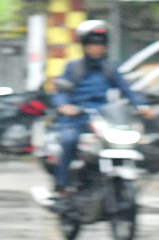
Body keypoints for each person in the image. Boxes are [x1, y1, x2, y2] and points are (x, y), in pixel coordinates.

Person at [51, 20, 152, 196]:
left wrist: (142, 106)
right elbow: (61, 92)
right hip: (77, 117)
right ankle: (63, 185)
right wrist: (64, 106)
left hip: (103, 118)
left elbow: (128, 90)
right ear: (85, 46)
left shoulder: (110, 69)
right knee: (68, 141)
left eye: (100, 45)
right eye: (92, 44)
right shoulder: (73, 67)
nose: (97, 48)